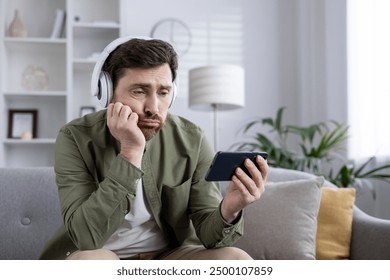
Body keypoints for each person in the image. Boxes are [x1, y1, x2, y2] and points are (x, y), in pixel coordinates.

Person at [39, 37, 268, 260]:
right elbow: (86, 237)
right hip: (99, 254)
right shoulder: (75, 137)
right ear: (107, 92)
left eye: (163, 92)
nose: (153, 108)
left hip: (168, 256)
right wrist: (130, 151)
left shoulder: (192, 139)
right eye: (139, 91)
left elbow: (210, 238)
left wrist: (229, 209)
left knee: (236, 259)